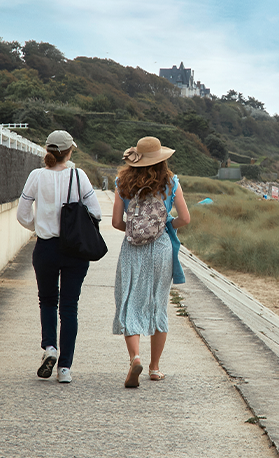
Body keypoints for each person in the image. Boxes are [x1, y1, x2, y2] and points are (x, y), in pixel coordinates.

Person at [17, 130, 101, 384]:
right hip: (75, 249)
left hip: (46, 248)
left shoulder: (36, 176)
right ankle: (64, 369)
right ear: (69, 151)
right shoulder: (79, 176)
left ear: (48, 150)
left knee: (47, 301)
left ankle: (50, 348)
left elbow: (22, 214)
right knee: (69, 306)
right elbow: (96, 212)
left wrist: (39, 227)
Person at [112, 136, 190, 388]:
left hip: (132, 249)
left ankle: (135, 357)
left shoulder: (122, 182)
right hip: (161, 248)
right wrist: (164, 226)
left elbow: (116, 222)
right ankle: (154, 368)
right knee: (158, 304)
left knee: (130, 302)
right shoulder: (171, 182)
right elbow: (185, 218)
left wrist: (135, 231)